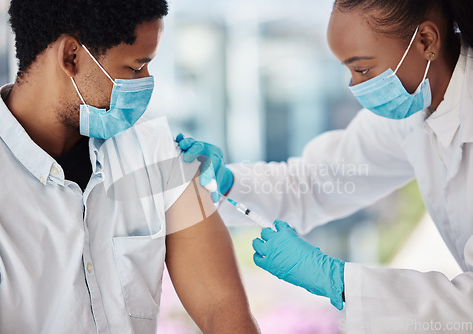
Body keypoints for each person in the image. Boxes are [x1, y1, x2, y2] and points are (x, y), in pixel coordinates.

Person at [177, 0, 473, 332]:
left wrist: (339, 281)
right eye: (348, 71)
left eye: (362, 69)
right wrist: (228, 184)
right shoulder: (414, 111)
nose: (355, 87)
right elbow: (317, 182)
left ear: (426, 41)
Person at [0, 1, 260, 333]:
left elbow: (221, 308)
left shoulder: (157, 153)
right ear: (71, 57)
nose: (147, 82)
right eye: (136, 68)